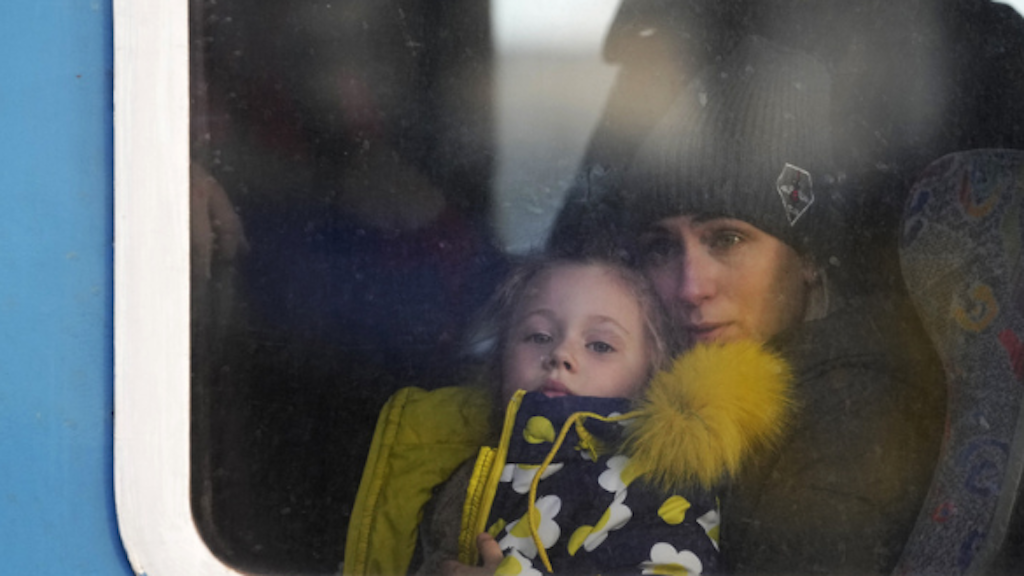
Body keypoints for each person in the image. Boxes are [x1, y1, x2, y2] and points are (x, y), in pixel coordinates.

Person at [550, 36, 947, 574]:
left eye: (727, 240)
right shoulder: (611, 378)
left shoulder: (853, 420)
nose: (691, 287)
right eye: (663, 248)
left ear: (808, 258)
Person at [413, 256, 793, 576]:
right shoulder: (445, 458)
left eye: (600, 344)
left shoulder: (654, 486)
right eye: (539, 336)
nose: (560, 353)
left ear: (652, 376)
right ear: (499, 358)